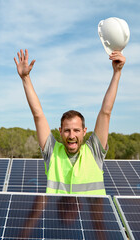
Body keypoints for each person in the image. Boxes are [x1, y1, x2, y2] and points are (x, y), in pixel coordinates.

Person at [14, 49, 125, 195]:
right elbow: (38, 115)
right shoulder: (52, 152)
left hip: (92, 218)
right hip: (56, 218)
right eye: (67, 130)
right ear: (60, 131)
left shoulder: (94, 152)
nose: (71, 135)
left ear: (84, 132)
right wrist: (25, 78)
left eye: (76, 130)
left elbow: (106, 112)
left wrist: (117, 73)